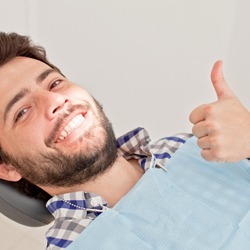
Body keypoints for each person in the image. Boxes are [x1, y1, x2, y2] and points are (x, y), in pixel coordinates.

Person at [0, 32, 250, 249]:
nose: (55, 101)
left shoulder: (192, 146)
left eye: (54, 83)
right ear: (7, 167)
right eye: (22, 112)